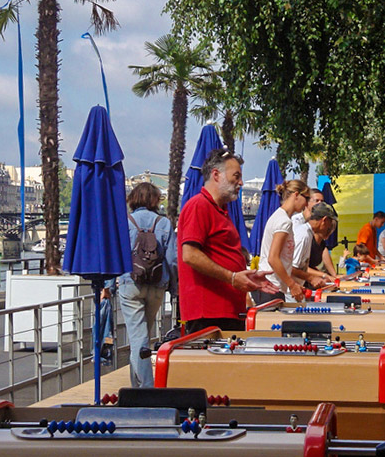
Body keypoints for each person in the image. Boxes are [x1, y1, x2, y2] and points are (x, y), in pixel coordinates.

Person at [178, 149, 278, 333]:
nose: (240, 182)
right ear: (216, 175)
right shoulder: (199, 205)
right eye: (236, 176)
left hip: (225, 312)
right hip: (208, 315)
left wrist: (246, 276)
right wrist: (232, 278)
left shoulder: (220, 210)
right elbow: (190, 255)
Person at [119, 182, 177, 386]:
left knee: (138, 337)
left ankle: (145, 389)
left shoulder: (124, 222)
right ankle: (138, 387)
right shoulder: (163, 223)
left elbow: (115, 256)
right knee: (143, 336)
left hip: (130, 284)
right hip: (156, 286)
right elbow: (172, 260)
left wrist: (109, 286)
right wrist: (173, 289)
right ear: (154, 200)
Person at [255, 179, 311, 304]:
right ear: (296, 194)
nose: (307, 204)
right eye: (306, 198)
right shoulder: (284, 221)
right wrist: (292, 285)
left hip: (273, 286)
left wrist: (293, 283)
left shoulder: (280, 217)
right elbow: (273, 258)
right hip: (271, 287)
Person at [291, 201, 338, 290]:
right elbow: (291, 267)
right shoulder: (303, 235)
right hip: (290, 290)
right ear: (324, 220)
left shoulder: (308, 233)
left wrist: (320, 277)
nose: (329, 229)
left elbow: (302, 266)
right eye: (329, 226)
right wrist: (312, 278)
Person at [307, 189, 339, 279]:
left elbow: (323, 250)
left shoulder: (319, 234)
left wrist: (334, 275)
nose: (320, 203)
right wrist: (324, 275)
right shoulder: (303, 229)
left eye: (322, 201)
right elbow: (297, 267)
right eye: (317, 201)